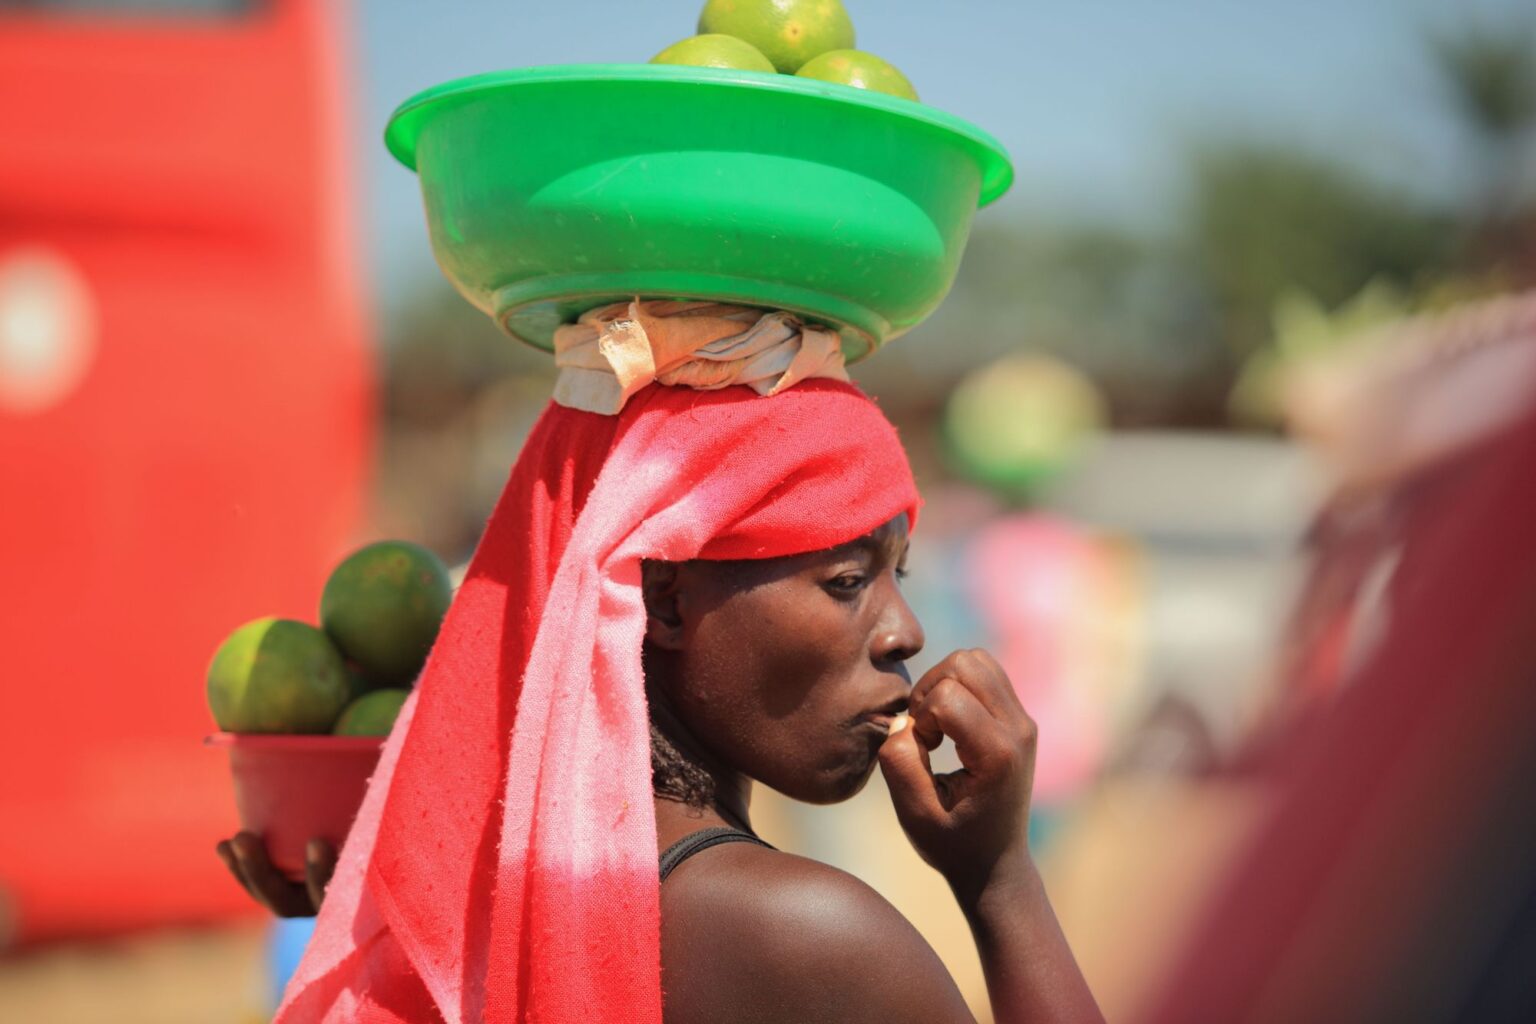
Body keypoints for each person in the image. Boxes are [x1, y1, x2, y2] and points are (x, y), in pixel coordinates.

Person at [219, 302, 1104, 1024]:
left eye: (897, 575)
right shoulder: (808, 939)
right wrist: (1000, 884)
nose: (905, 631)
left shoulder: (492, 903)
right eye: (847, 580)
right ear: (669, 599)